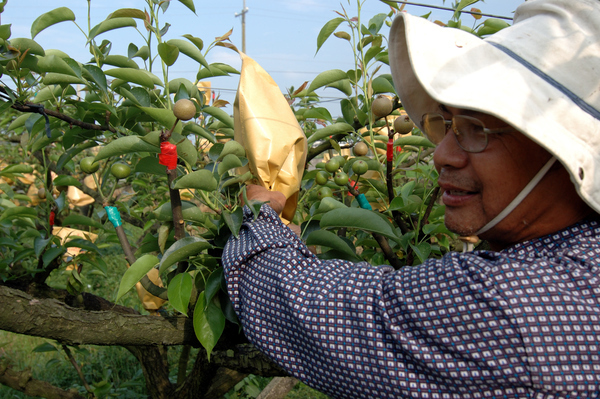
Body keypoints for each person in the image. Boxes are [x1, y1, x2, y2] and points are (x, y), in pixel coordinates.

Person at [222, 0, 600, 397]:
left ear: (564, 153)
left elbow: (307, 309)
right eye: (448, 124)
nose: (442, 153)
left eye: (476, 130)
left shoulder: (522, 306)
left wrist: (258, 220)